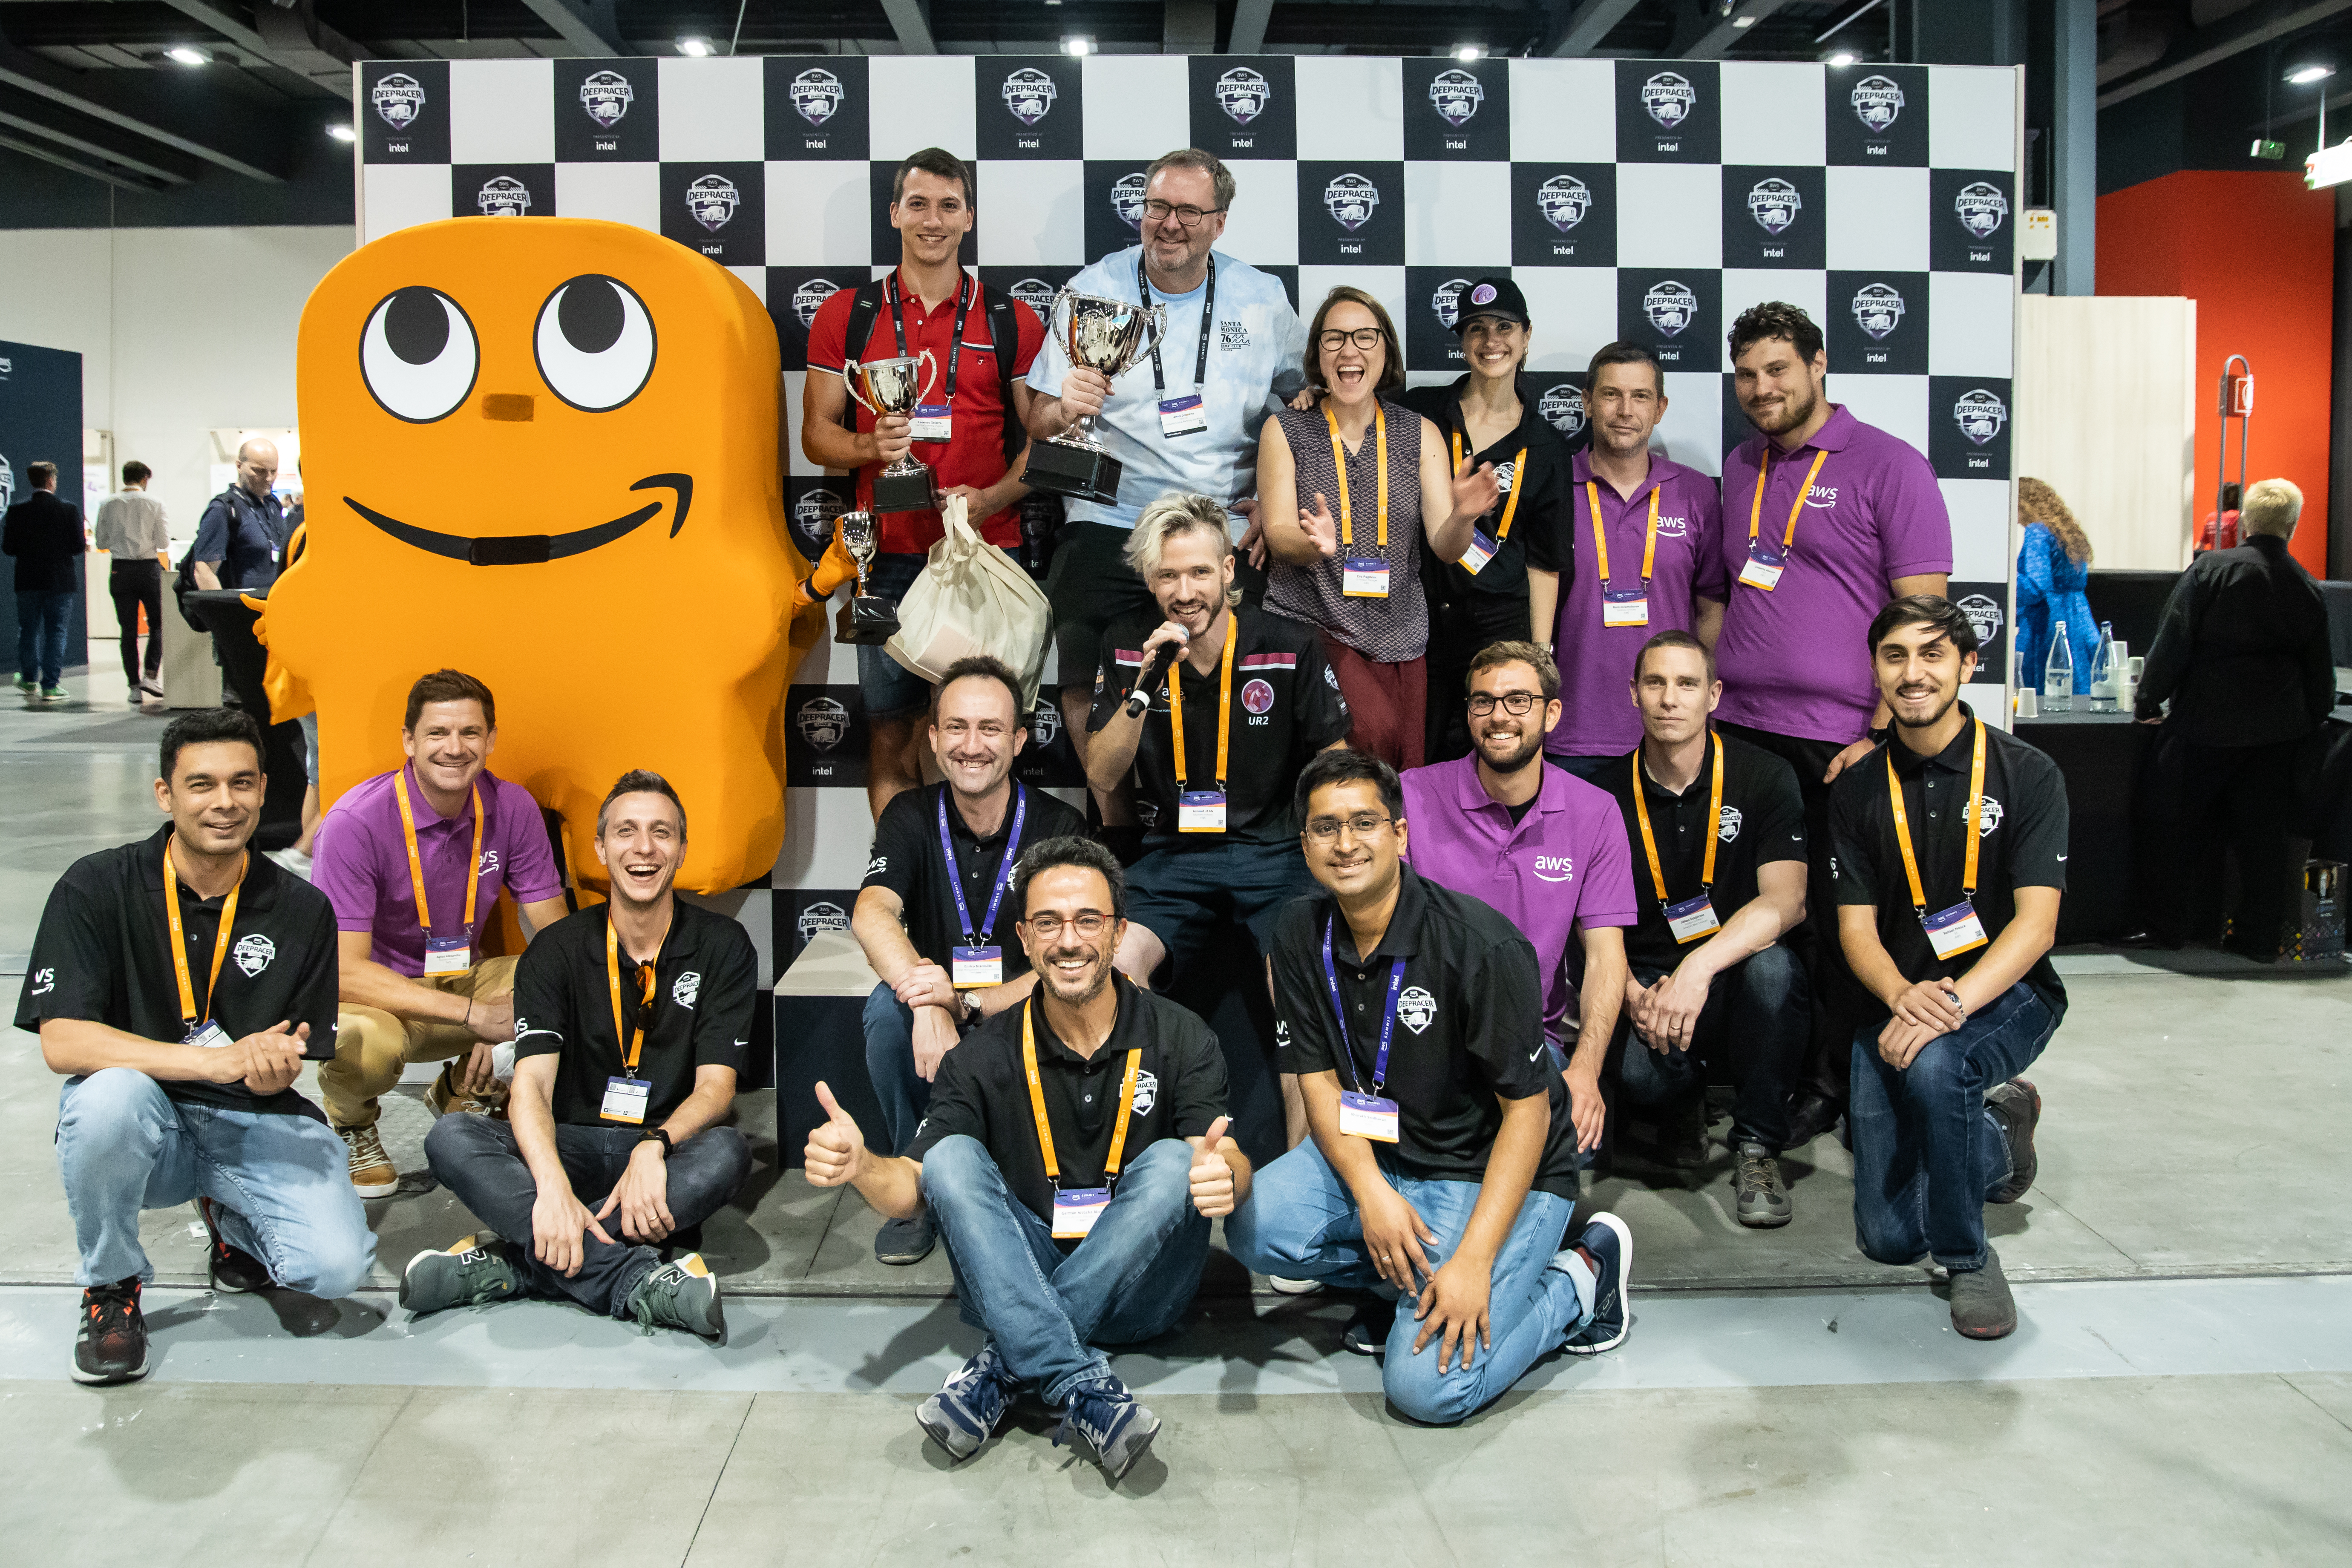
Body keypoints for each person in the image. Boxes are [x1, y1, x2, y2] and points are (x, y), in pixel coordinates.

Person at [805, 835, 1245, 1482]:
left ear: (1120, 932)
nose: (1069, 941)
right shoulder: (981, 1055)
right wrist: (862, 1164)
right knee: (952, 1155)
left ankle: (1007, 1364)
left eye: (1088, 920)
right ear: (1025, 937)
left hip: (1142, 1290)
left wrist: (1225, 1176)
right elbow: (916, 1188)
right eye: (1048, 923)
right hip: (1024, 1265)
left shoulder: (1181, 1034)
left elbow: (1226, 1155)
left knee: (1179, 1163)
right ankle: (1080, 1382)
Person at [1224, 749, 1633, 1425]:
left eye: (1364, 823)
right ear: (1304, 844)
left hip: (1492, 1169)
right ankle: (1410, 1282)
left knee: (1427, 1391)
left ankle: (1580, 1278)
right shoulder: (1298, 934)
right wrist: (1372, 1193)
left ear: (1400, 835)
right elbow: (1319, 1083)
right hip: (1388, 1155)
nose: (1346, 843)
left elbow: (1528, 1117)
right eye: (1325, 828)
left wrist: (1473, 1261)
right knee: (1253, 1224)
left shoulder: (1479, 946)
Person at [17, 708, 372, 1384]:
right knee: (108, 1099)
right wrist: (210, 1060)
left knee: (335, 1271)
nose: (225, 802)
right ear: (165, 794)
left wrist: (265, 1074)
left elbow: (288, 1065)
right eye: (202, 784)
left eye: (242, 783)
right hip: (143, 1124)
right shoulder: (96, 887)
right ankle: (112, 1287)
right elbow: (62, 1041)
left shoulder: (302, 910)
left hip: (249, 1118)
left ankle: (232, 1222)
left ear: (265, 790)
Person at [1711, 302, 1953, 1149]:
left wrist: (1881, 733)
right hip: (1741, 732)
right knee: (1764, 921)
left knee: (1841, 920)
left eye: (1777, 369)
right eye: (1746, 374)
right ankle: (1761, 1087)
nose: (1760, 388)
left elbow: (1923, 612)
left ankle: (1836, 1088)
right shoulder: (1741, 465)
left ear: (1819, 366)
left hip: (1839, 740)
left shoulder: (1890, 465)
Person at [406, 771, 753, 1343]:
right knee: (451, 1137)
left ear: (682, 849)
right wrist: (550, 1187)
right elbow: (533, 1087)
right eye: (626, 832)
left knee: (727, 1153)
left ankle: (519, 1263)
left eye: (661, 833)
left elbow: (716, 1089)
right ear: (600, 848)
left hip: (663, 1156)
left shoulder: (723, 945)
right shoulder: (557, 949)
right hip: (571, 1145)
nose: (644, 848)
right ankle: (632, 1278)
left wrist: (655, 1144)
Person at [1024, 149, 1308, 796]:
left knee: (1232, 676)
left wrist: (1274, 495)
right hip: (1110, 515)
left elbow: (1301, 403)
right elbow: (1038, 420)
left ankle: (1225, 825)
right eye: (1157, 207)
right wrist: (1064, 403)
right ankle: (1115, 823)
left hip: (1223, 524)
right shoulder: (1092, 288)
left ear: (1220, 222)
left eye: (1188, 210)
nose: (1169, 224)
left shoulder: (1261, 298)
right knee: (1081, 665)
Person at [1831, 596, 2063, 1341]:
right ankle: (1999, 1127)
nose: (1913, 673)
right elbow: (1855, 929)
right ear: (1876, 670)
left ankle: (1968, 1258)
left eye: (1932, 654)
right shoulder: (1857, 788)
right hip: (1895, 1001)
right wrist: (1904, 997)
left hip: (2006, 992)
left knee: (1940, 1071)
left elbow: (2036, 926)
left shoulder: (2027, 773)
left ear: (1968, 664)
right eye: (1895, 656)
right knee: (1890, 1237)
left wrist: (1951, 1005)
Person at [1086, 493, 1349, 1141]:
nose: (1185, 591)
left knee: (1297, 984)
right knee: (1113, 973)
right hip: (1173, 859)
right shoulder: (1128, 649)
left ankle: (1305, 1168)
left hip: (1276, 856)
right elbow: (1101, 773)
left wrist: (1326, 855)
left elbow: (1337, 766)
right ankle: (1131, 1150)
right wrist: (1145, 685)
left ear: (1230, 570)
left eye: (1200, 572)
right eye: (1168, 576)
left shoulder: (1286, 644)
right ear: (1150, 581)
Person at [801, 148, 1047, 819]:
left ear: (969, 217)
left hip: (983, 557)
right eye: (918, 205)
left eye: (947, 205)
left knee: (980, 734)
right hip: (881, 558)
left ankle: (971, 885)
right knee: (890, 735)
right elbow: (815, 434)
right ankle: (902, 890)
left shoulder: (1010, 319)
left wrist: (990, 499)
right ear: (894, 214)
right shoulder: (846, 315)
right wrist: (867, 444)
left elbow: (1043, 439)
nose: (932, 221)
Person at [852, 655, 1087, 1266]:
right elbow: (871, 913)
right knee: (885, 1012)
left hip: (1025, 1012)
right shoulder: (908, 815)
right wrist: (926, 996)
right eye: (955, 727)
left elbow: (1072, 958)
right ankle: (917, 1180)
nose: (971, 745)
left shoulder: (1059, 826)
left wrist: (969, 1002)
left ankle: (1029, 1183)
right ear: (932, 739)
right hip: (938, 1009)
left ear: (1017, 739)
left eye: (989, 729)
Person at [310, 670, 569, 1197]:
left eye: (470, 733)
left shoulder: (512, 806)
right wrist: (477, 1017)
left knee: (568, 981)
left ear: (491, 740)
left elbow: (556, 932)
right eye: (437, 734)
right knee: (366, 1045)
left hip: (462, 978)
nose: (455, 748)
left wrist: (530, 998)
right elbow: (342, 971)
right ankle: (353, 1124)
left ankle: (461, 1091)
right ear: (408, 741)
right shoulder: (354, 822)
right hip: (379, 997)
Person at [1598, 633, 1810, 1223]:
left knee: (1775, 969)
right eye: (1656, 683)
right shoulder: (1601, 794)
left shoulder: (1764, 776)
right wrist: (1630, 993)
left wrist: (1698, 968)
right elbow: (1589, 926)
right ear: (1634, 693)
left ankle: (1756, 1144)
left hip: (1731, 974)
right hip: (1645, 982)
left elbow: (1787, 901)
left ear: (1713, 695)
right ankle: (1681, 1100)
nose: (1670, 699)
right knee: (1640, 1076)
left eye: (1687, 684)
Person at [1395, 642, 1635, 1153]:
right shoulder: (1410, 796)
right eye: (1482, 702)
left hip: (1529, 1043)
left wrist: (1586, 1072)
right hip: (1423, 1032)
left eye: (1517, 701)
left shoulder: (1596, 813)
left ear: (1551, 713)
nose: (1498, 716)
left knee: (1573, 1144)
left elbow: (1605, 957)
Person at [1258, 287, 1500, 770]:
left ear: (1386, 350)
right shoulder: (1286, 430)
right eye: (1334, 339)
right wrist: (1314, 546)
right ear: (1317, 355)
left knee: (1403, 772)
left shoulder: (1419, 432)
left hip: (1401, 634)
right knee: (1370, 739)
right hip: (1316, 625)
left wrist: (1463, 518)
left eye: (1365, 337)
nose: (1349, 351)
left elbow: (1445, 547)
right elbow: (1279, 534)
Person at [2134, 478, 2336, 961]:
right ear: (2292, 525)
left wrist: (2148, 700)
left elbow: (2173, 641)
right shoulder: (2306, 586)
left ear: (2245, 520)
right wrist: (2312, 718)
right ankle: (2259, 938)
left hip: (2205, 724)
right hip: (2276, 733)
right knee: (2262, 841)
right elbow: (2319, 670)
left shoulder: (2210, 570)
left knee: (2177, 831)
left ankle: (2168, 930)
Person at [1393, 277, 1575, 764]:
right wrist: (1307, 399)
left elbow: (1544, 560)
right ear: (1461, 341)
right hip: (1421, 617)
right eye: (1476, 329)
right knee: (1419, 757)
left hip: (1501, 623)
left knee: (1495, 758)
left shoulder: (1546, 445)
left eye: (1504, 327)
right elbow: (1348, 436)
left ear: (1527, 335)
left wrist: (1538, 654)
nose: (1491, 341)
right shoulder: (1421, 410)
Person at [1542, 342, 1726, 781]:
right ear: (1586, 401)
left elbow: (1712, 607)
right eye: (1611, 395)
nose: (1625, 410)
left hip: (1670, 736)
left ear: (1660, 408)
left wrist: (1697, 707)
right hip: (1571, 734)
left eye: (1640, 396)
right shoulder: (1551, 488)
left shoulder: (1695, 492)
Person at [4, 459, 84, 705]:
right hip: (60, 581)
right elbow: (78, 547)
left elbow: (8, 548)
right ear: (51, 480)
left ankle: (29, 680)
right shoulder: (68, 510)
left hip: (27, 580)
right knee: (56, 633)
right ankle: (50, 686)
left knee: (28, 630)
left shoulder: (17, 511)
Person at [93, 460, 170, 703]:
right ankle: (151, 675)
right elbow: (164, 543)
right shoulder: (155, 503)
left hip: (121, 569)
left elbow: (101, 543)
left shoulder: (107, 504)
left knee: (128, 630)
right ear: (145, 479)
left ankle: (134, 687)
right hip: (148, 568)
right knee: (158, 624)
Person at [2013, 478, 2096, 694]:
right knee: (2077, 684)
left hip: (2047, 621)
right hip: (2078, 617)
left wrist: (2006, 585)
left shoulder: (2037, 532)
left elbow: (2035, 586)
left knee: (2042, 690)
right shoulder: (2067, 532)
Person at [190, 438, 288, 592]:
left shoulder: (273, 504)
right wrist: (224, 611)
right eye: (259, 471)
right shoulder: (223, 509)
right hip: (243, 608)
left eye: (273, 471)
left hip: (276, 605)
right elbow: (204, 571)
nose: (269, 478)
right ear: (239, 466)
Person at [2195, 481, 2242, 554]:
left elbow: (2199, 547)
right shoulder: (2237, 517)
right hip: (2231, 561)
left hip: (2214, 561)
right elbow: (2242, 545)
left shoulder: (2211, 518)